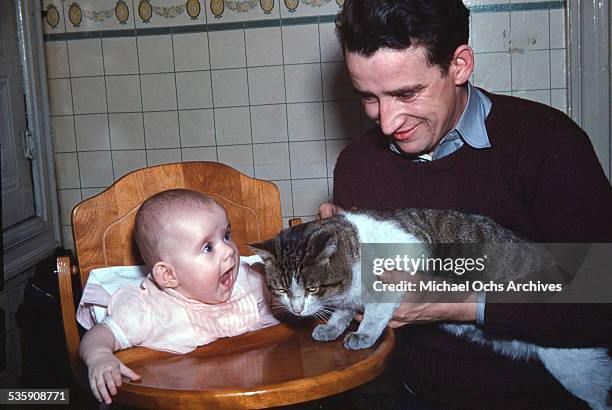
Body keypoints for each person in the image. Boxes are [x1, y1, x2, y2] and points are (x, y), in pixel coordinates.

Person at [319, 0, 612, 408]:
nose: (386, 122)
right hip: (411, 393)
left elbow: (600, 288)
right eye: (368, 98)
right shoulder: (357, 166)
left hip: (547, 394)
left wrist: (456, 303)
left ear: (460, 64)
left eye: (407, 93)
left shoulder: (547, 143)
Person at [78, 189, 277, 404]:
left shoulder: (249, 283)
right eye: (208, 247)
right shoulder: (153, 310)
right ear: (168, 275)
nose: (228, 250)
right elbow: (101, 333)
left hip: (258, 396)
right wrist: (99, 357)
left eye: (226, 236)